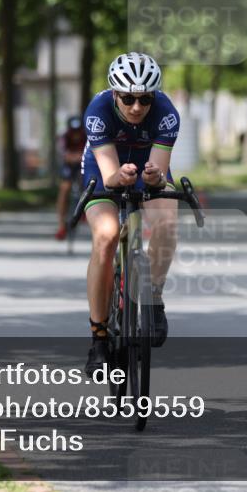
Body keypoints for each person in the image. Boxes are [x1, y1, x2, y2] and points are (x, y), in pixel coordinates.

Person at [81, 52, 180, 374]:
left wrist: (154, 178)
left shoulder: (166, 115)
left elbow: (160, 174)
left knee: (166, 225)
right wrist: (118, 178)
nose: (137, 107)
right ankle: (98, 337)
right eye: (128, 98)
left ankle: (153, 295)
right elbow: (110, 176)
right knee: (107, 236)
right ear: (114, 94)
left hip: (145, 164)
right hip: (105, 165)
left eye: (145, 99)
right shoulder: (97, 112)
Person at [55, 115, 88, 240]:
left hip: (82, 165)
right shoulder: (64, 137)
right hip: (68, 166)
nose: (76, 135)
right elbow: (63, 153)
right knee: (65, 188)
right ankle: (61, 225)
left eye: (77, 131)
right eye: (73, 131)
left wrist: (78, 157)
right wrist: (73, 157)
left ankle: (84, 208)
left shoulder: (86, 136)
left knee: (85, 182)